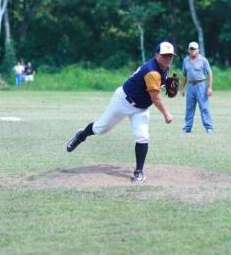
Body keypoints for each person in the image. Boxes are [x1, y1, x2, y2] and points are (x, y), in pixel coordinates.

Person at [66, 41, 176, 184]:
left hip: (141, 108)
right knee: (101, 128)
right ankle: (81, 135)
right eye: (164, 55)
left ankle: (139, 171)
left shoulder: (164, 68)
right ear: (156, 55)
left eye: (170, 56)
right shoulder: (152, 72)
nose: (168, 58)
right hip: (123, 101)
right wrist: (166, 114)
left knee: (142, 137)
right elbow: (155, 98)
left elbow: (159, 82)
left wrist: (166, 80)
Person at [179, 41, 214, 134]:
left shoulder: (203, 60)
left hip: (201, 85)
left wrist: (210, 87)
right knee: (189, 108)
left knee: (204, 107)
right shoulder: (185, 60)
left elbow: (210, 73)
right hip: (190, 86)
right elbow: (184, 76)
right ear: (188, 50)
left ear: (198, 50)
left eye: (194, 49)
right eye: (191, 49)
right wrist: (182, 88)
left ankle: (209, 127)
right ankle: (187, 128)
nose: (192, 50)